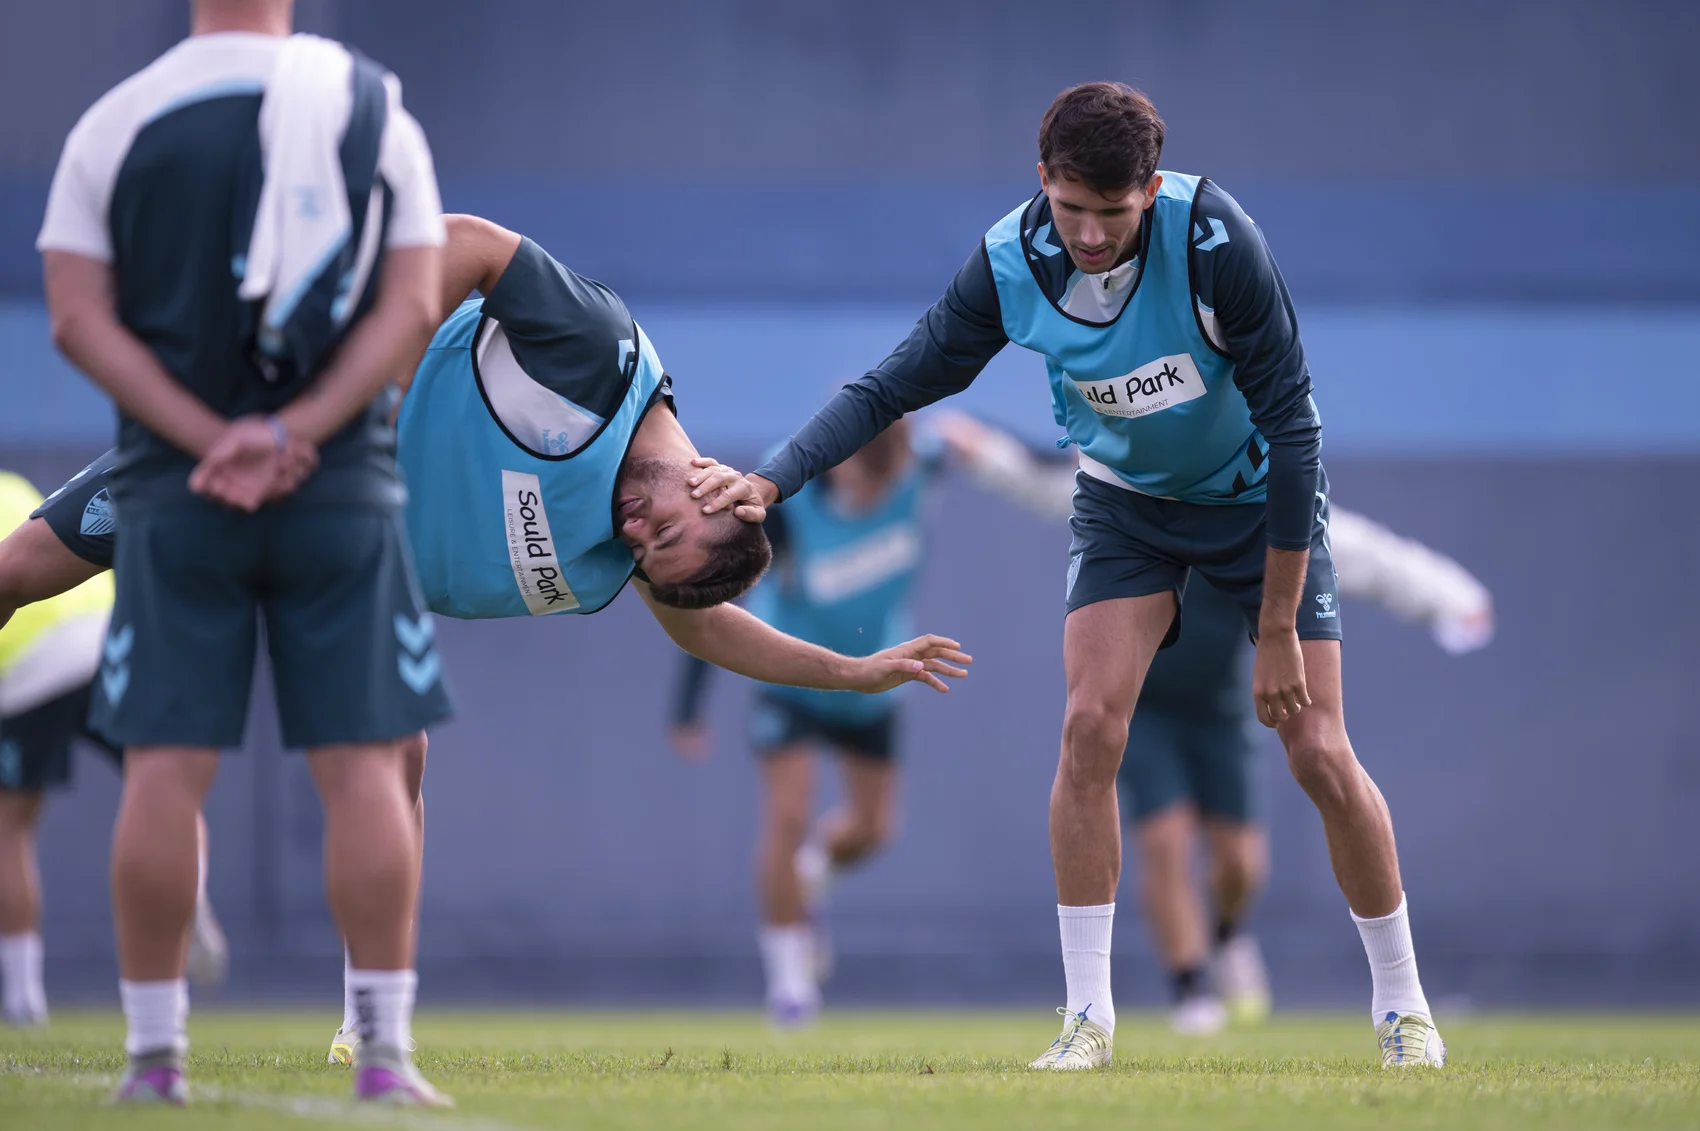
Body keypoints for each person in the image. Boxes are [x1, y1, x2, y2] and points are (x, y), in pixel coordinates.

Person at [16, 206, 973, 1081]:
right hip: (271, 413)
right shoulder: (594, 356)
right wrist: (374, 396)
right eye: (664, 531)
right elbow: (468, 238)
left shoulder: (629, 543)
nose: (639, 535)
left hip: (332, 551)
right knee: (20, 573)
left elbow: (707, 629)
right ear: (718, 482)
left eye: (649, 553)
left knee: (398, 745)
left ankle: (371, 1019)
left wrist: (850, 671)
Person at [716, 81, 1450, 1069]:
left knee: (1317, 748)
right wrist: (771, 477)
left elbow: (1294, 429)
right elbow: (894, 383)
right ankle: (1086, 1022)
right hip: (1125, 508)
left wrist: (1273, 627)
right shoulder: (1009, 259)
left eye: (1112, 213)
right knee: (1087, 729)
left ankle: (1403, 1010)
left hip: (1255, 499)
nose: (1091, 235)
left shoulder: (1214, 242)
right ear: (1041, 184)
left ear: (1148, 189)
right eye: (1071, 210)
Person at [936, 410, 1494, 1035]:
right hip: (1147, 707)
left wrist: (1451, 596)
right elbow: (1038, 480)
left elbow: (1364, 554)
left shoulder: (1253, 500)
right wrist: (979, 448)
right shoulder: (1127, 493)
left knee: (1240, 865)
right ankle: (1190, 990)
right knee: (1166, 839)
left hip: (1222, 712)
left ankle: (1227, 937)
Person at [668, 419, 943, 1026]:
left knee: (873, 829)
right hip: (793, 679)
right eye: (861, 482)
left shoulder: (920, 462)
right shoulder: (784, 501)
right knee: (787, 814)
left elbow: (986, 445)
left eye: (883, 485)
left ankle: (808, 883)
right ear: (839, 462)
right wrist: (687, 707)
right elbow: (713, 603)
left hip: (874, 681)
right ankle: (790, 985)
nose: (872, 499)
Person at [0, 473, 229, 1028]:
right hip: (101, 637)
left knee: (11, 826)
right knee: (166, 785)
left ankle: (24, 997)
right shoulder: (15, 486)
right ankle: (190, 890)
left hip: (20, 669)